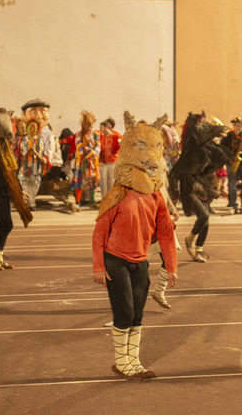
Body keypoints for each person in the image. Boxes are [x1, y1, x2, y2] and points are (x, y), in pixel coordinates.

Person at [92, 113, 178, 380]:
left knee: (138, 314)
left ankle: (134, 362)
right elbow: (100, 232)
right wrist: (98, 266)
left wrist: (171, 267)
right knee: (125, 311)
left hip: (140, 262)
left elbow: (166, 233)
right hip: (115, 260)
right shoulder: (117, 193)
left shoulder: (156, 196)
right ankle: (122, 362)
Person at [170, 112, 229, 263]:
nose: (204, 127)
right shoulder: (190, 148)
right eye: (201, 124)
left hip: (203, 186)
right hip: (189, 188)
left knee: (205, 222)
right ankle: (190, 239)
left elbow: (221, 155)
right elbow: (174, 172)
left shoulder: (207, 147)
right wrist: (174, 193)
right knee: (204, 216)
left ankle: (199, 249)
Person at [0, 107, 33, 270]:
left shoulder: (4, 148)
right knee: (6, 224)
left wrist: (19, 189)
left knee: (4, 225)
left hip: (5, 194)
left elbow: (11, 172)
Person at [71, 111, 101, 206]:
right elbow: (80, 147)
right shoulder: (79, 135)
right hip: (81, 161)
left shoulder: (95, 135)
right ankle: (78, 201)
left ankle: (91, 200)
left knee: (92, 181)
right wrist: (91, 152)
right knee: (79, 182)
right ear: (83, 125)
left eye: (90, 124)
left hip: (92, 162)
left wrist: (95, 152)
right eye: (87, 124)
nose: (89, 126)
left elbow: (98, 146)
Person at [99, 118, 122, 199]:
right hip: (103, 163)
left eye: (101, 128)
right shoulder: (101, 137)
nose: (100, 130)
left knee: (111, 182)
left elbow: (121, 147)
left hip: (112, 163)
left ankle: (111, 199)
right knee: (103, 182)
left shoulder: (116, 136)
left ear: (106, 127)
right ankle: (104, 199)